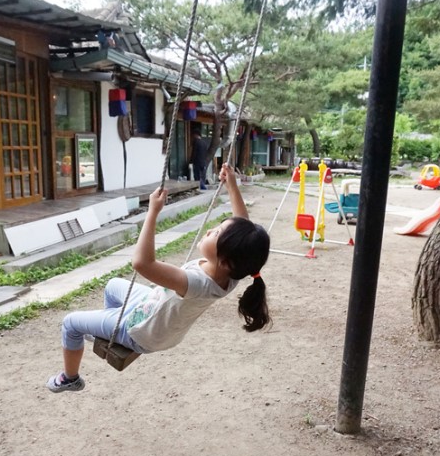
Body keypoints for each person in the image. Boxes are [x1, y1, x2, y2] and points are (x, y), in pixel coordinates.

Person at [46, 163, 271, 393]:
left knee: (70, 323)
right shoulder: (234, 273)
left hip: (144, 333)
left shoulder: (196, 283)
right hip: (155, 310)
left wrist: (152, 212)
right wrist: (232, 184)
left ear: (225, 259)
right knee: (113, 286)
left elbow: (143, 264)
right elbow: (242, 224)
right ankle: (107, 331)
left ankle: (70, 378)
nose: (212, 229)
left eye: (218, 233)